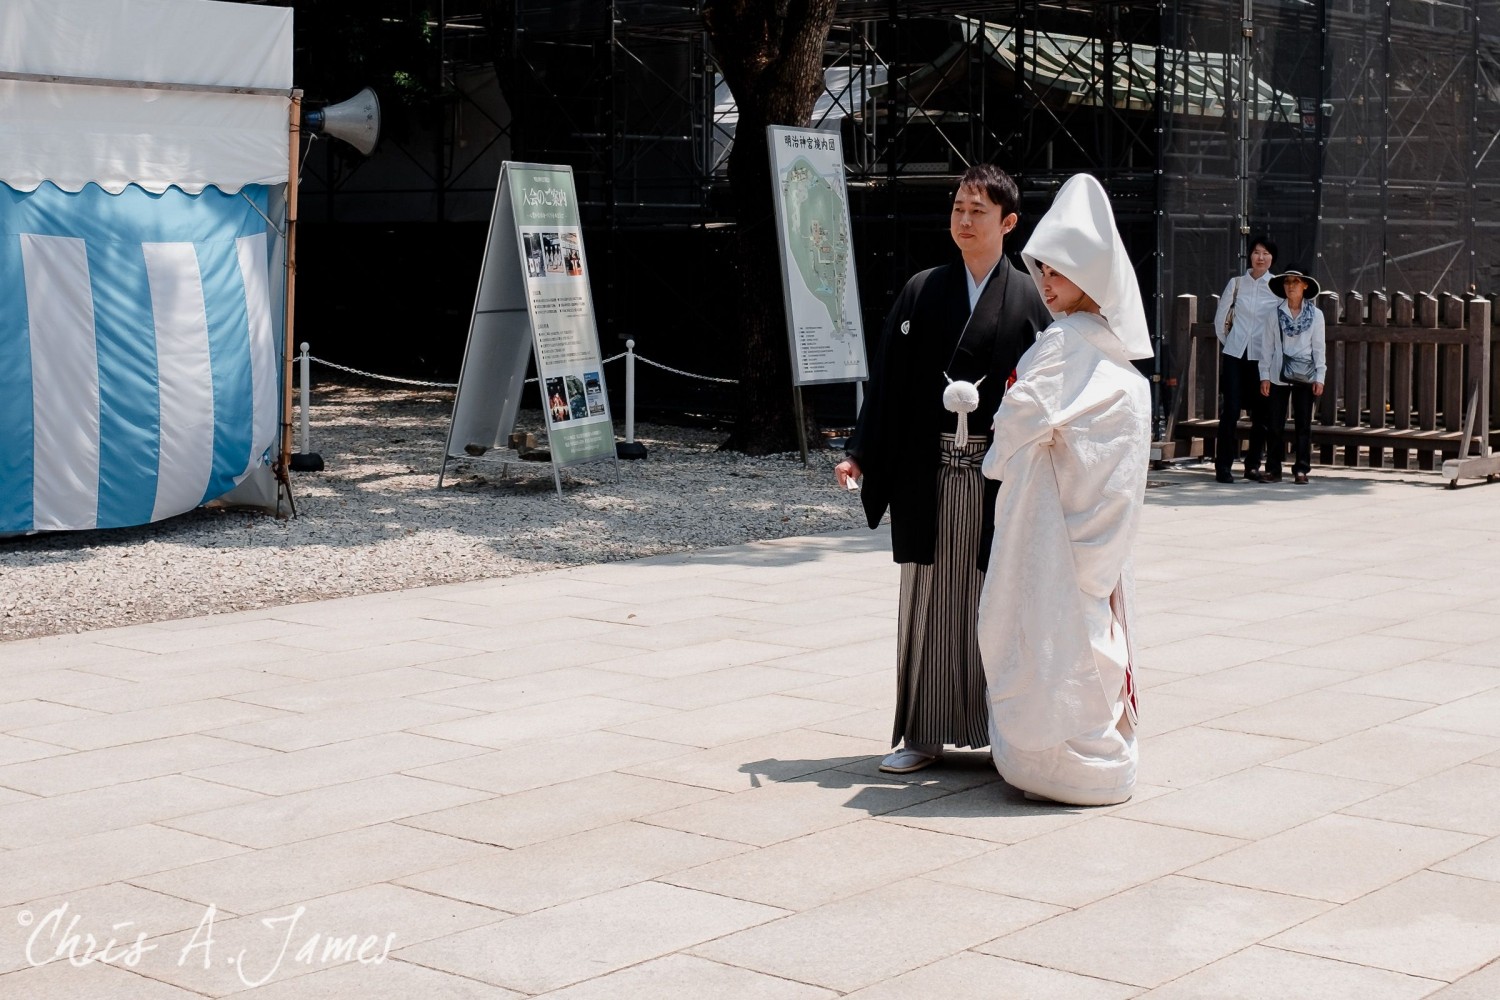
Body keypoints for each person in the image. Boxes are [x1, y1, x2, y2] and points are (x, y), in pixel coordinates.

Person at [836, 164, 1052, 774]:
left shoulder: (1031, 300)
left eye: (978, 211)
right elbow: (889, 382)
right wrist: (860, 452)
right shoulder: (921, 289)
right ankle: (923, 733)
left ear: (1008, 222)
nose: (963, 220)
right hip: (927, 470)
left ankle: (1002, 731)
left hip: (999, 473)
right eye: (958, 208)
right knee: (926, 595)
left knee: (998, 599)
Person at [976, 173, 1152, 806]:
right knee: (1092, 626)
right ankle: (1098, 758)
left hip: (1057, 523)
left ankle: (1054, 761)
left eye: (1058, 272)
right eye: (1043, 270)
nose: (1046, 283)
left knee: (1044, 632)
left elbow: (1013, 423)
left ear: (1091, 274)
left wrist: (1004, 458)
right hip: (1101, 528)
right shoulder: (1120, 360)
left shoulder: (1062, 345)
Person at [1211, 236, 1279, 483]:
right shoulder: (1236, 283)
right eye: (1256, 252)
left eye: (1266, 253)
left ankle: (1253, 465)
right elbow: (1221, 319)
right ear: (1250, 255)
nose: (1261, 257)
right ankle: (1223, 466)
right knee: (1230, 410)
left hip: (1262, 357)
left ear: (1272, 259)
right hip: (1235, 354)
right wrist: (1231, 341)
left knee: (1261, 414)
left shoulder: (1277, 287)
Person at [1258, 269, 1326, 485]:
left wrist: (1320, 376)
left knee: (1303, 424)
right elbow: (1266, 347)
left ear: (1305, 285)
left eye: (1296, 281)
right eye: (1287, 282)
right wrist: (1264, 376)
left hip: (1305, 374)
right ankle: (1273, 469)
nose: (1291, 286)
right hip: (1278, 373)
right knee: (1274, 424)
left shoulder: (1316, 315)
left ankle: (1301, 469)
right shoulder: (1274, 314)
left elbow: (1319, 348)